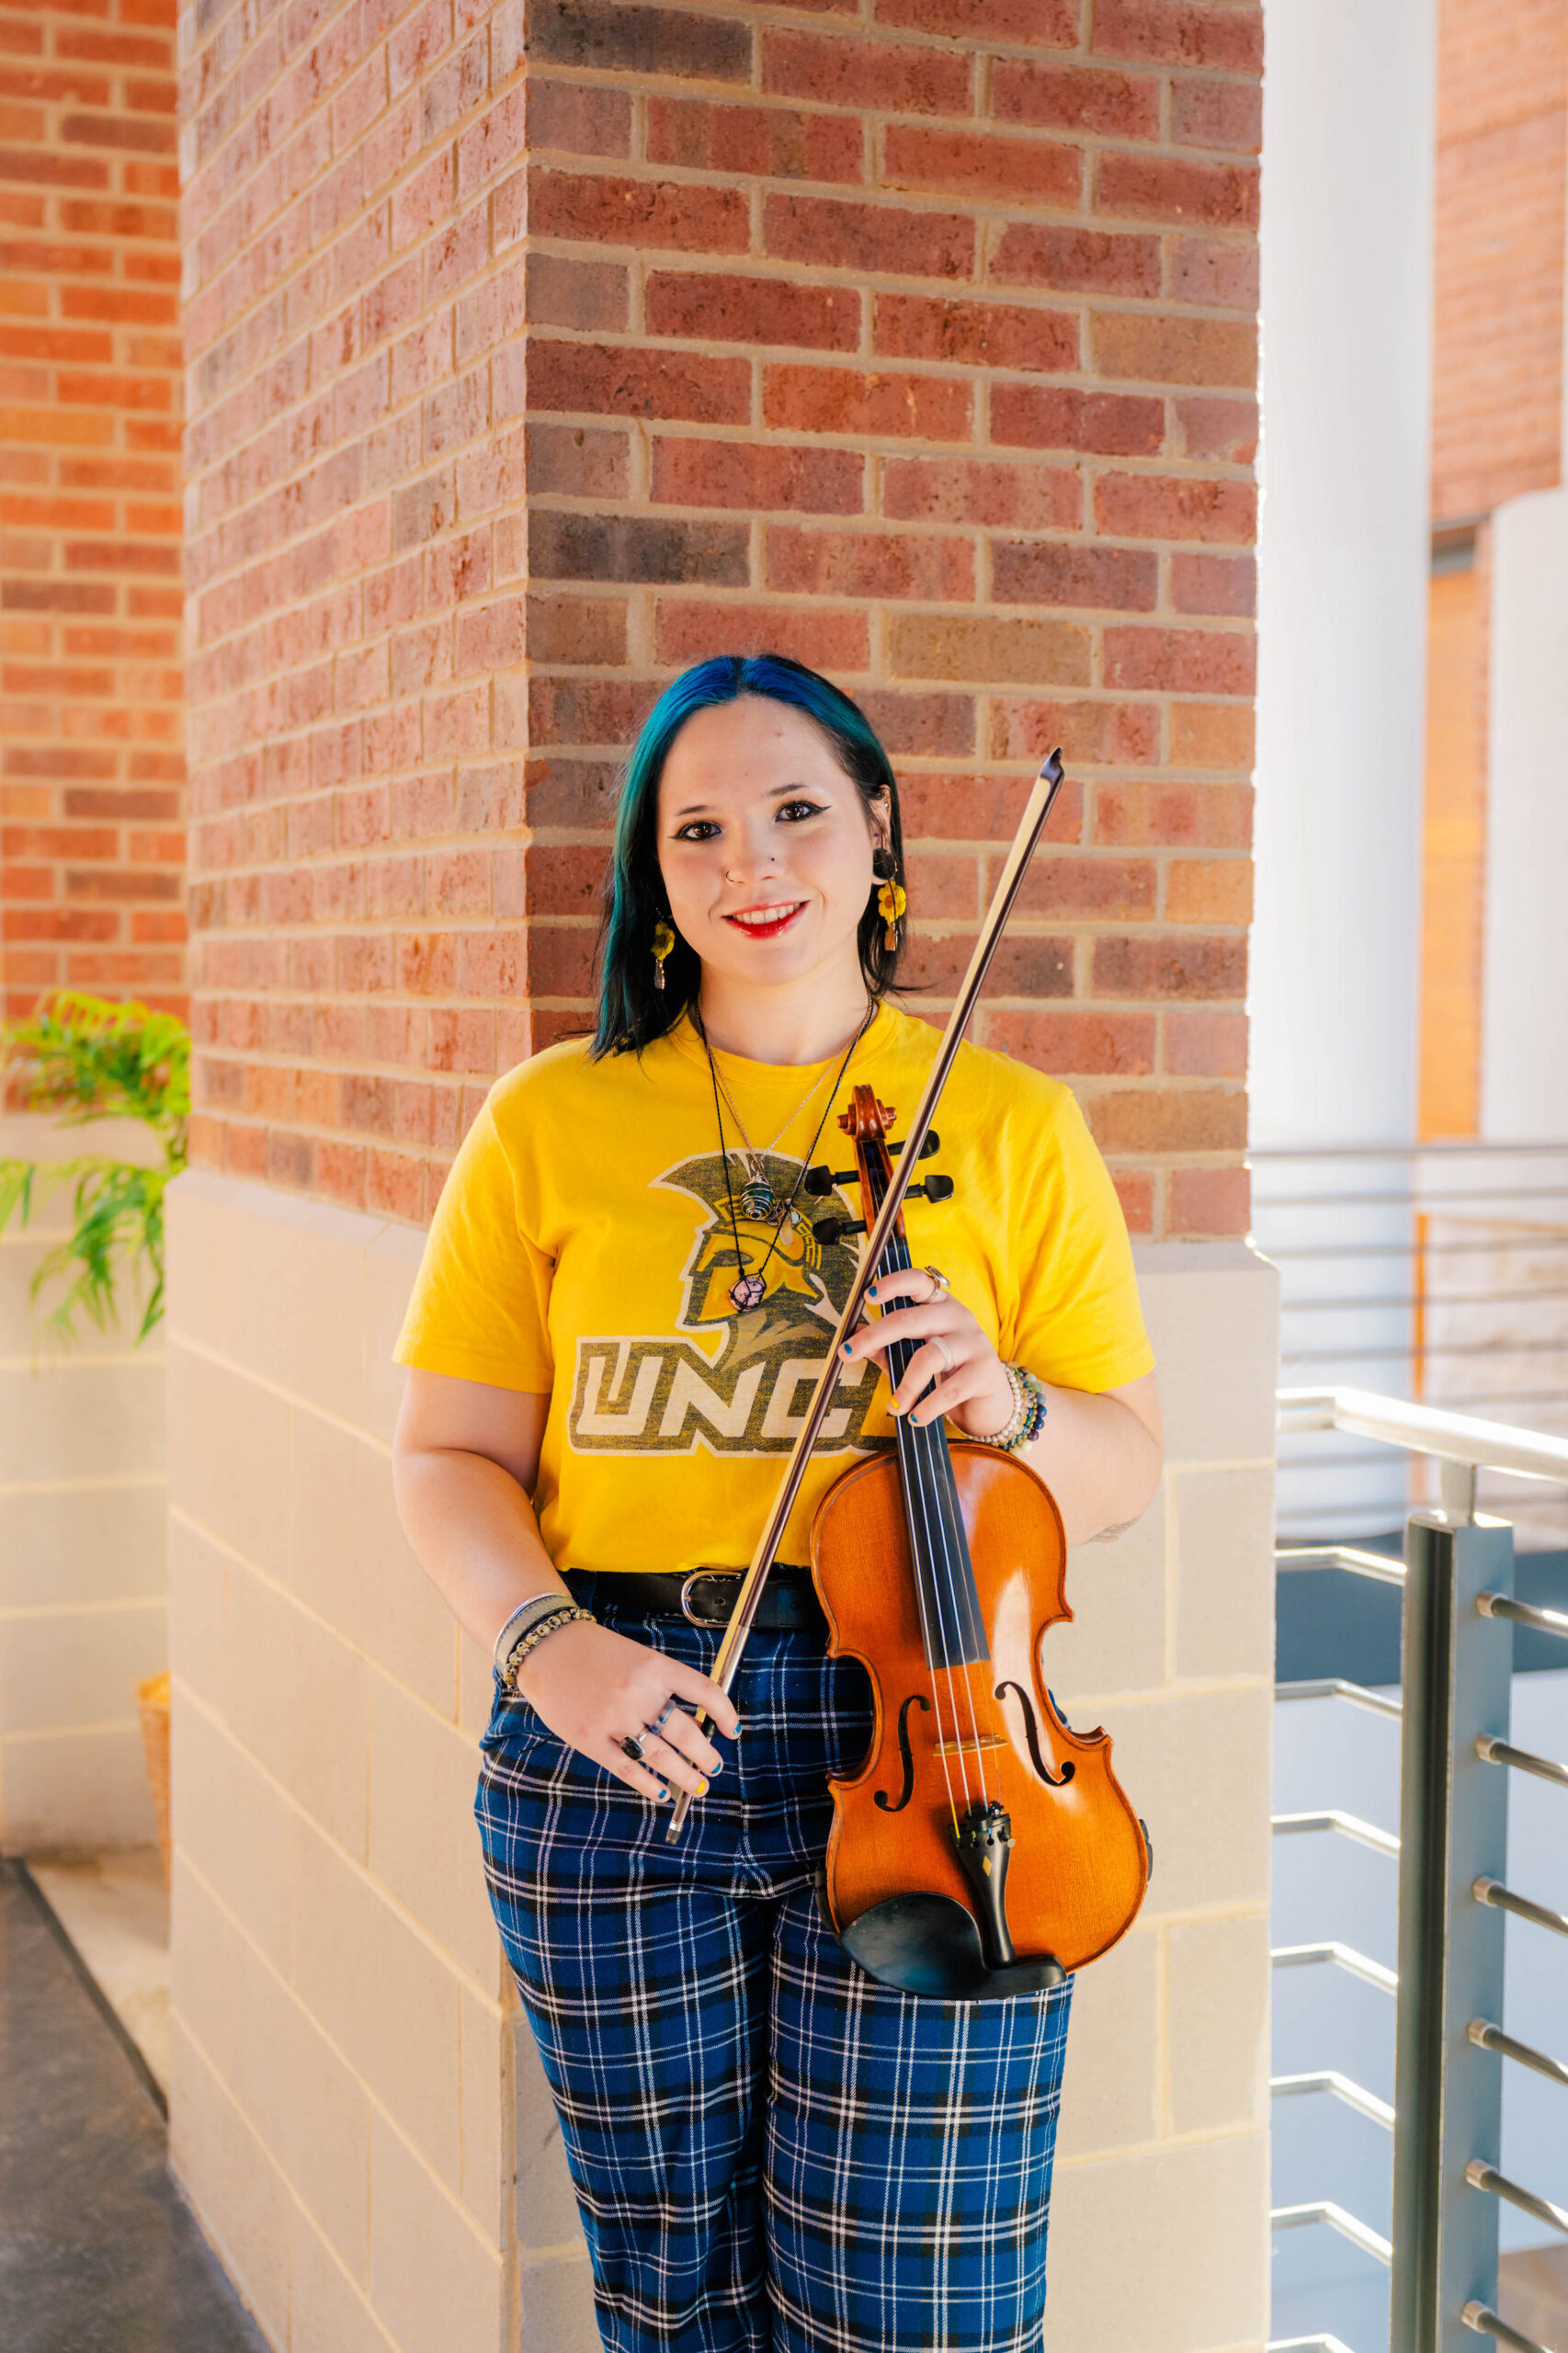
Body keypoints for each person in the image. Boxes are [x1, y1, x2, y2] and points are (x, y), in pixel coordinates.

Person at [390, 654, 1163, 2353]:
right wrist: (547, 1649)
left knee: (924, 2311)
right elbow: (443, 1457)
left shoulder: (1014, 1126)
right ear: (651, 879)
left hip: (940, 1745)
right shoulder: (547, 1120)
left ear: (877, 829)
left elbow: (1122, 1465)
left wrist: (1009, 1405)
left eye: (798, 812)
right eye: (700, 831)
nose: (754, 866)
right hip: (620, 1744)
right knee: (671, 2300)